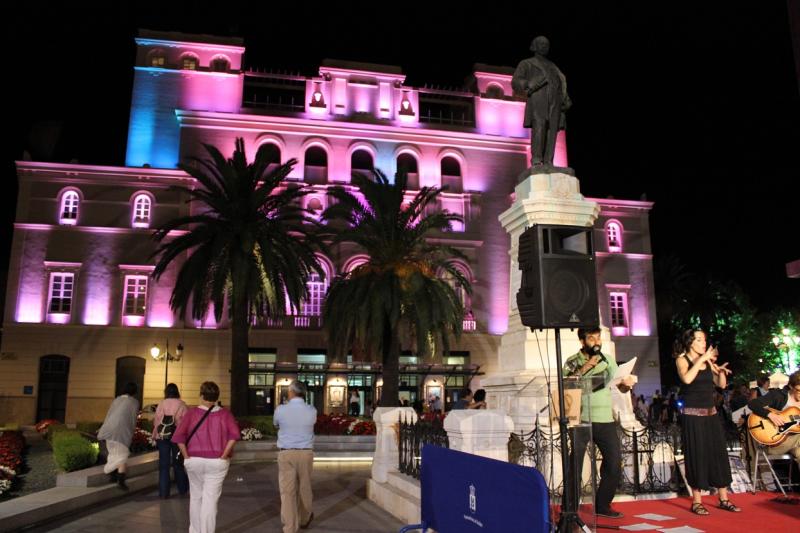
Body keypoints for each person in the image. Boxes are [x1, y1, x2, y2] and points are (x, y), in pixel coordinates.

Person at [563, 327, 635, 519]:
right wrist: (586, 368)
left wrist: (626, 385)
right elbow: (568, 386)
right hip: (581, 419)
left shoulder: (608, 360)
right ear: (582, 341)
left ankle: (602, 504)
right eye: (591, 338)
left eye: (598, 337)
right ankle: (569, 509)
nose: (596, 341)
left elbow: (618, 386)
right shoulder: (572, 361)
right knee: (575, 466)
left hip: (605, 419)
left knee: (613, 463)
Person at [675, 328, 739, 515]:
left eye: (704, 340)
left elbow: (721, 385)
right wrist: (702, 360)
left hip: (711, 414)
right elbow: (686, 378)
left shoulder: (708, 362)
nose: (704, 344)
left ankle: (724, 499)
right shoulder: (682, 359)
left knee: (718, 454)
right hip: (692, 416)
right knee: (697, 455)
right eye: (700, 340)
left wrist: (721, 371)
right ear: (690, 343)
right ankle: (697, 501)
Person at [173, 381, 240, 533]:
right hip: (217, 461)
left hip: (194, 459)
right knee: (210, 501)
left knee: (196, 497)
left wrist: (186, 457)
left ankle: (195, 531)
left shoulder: (191, 413)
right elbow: (234, 435)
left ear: (201, 395)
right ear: (216, 397)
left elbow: (179, 438)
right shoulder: (225, 414)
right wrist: (224, 455)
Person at [512, 35, 571, 169]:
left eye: (547, 45)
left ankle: (549, 161)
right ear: (534, 46)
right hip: (538, 98)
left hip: (555, 100)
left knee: (552, 129)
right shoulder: (527, 63)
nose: (545, 47)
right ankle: (537, 160)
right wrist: (528, 83)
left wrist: (565, 97)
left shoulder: (553, 66)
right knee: (539, 126)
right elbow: (515, 81)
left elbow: (561, 82)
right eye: (541, 44)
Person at [273, 380, 317, 533]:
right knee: (305, 487)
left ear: (291, 392)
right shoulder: (312, 410)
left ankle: (290, 527)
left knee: (287, 492)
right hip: (305, 453)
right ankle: (305, 518)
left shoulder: (281, 410)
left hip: (286, 453)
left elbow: (276, 423)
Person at [748, 370, 800, 470]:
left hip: (794, 444)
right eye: (799, 390)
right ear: (791, 387)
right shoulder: (778, 395)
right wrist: (770, 415)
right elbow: (753, 404)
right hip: (775, 442)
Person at [97, 382, 139, 490]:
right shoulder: (134, 402)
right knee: (122, 457)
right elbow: (133, 419)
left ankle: (113, 476)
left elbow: (109, 415)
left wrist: (102, 428)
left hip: (108, 431)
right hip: (122, 433)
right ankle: (121, 481)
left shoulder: (117, 400)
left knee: (113, 454)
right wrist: (132, 432)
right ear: (134, 391)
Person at [152, 383, 189, 499]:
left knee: (164, 465)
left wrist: (155, 435)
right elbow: (186, 423)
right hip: (177, 437)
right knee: (178, 464)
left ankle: (164, 493)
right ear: (177, 392)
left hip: (162, 437)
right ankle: (182, 490)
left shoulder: (161, 404)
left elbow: (156, 421)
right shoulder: (182, 404)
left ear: (166, 392)